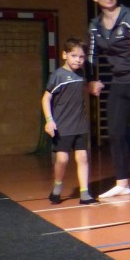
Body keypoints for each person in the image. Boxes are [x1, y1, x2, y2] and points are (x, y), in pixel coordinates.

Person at [87, 0, 130, 198]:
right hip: (118, 81)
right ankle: (122, 183)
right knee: (115, 132)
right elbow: (91, 55)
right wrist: (91, 80)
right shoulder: (95, 26)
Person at [41, 38, 98, 205]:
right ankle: (57, 186)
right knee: (62, 160)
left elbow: (81, 88)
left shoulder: (81, 73)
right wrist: (49, 120)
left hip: (80, 124)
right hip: (62, 126)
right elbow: (46, 98)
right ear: (64, 55)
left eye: (81, 57)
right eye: (74, 56)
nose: (78, 60)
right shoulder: (58, 75)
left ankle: (84, 193)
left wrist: (92, 88)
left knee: (83, 158)